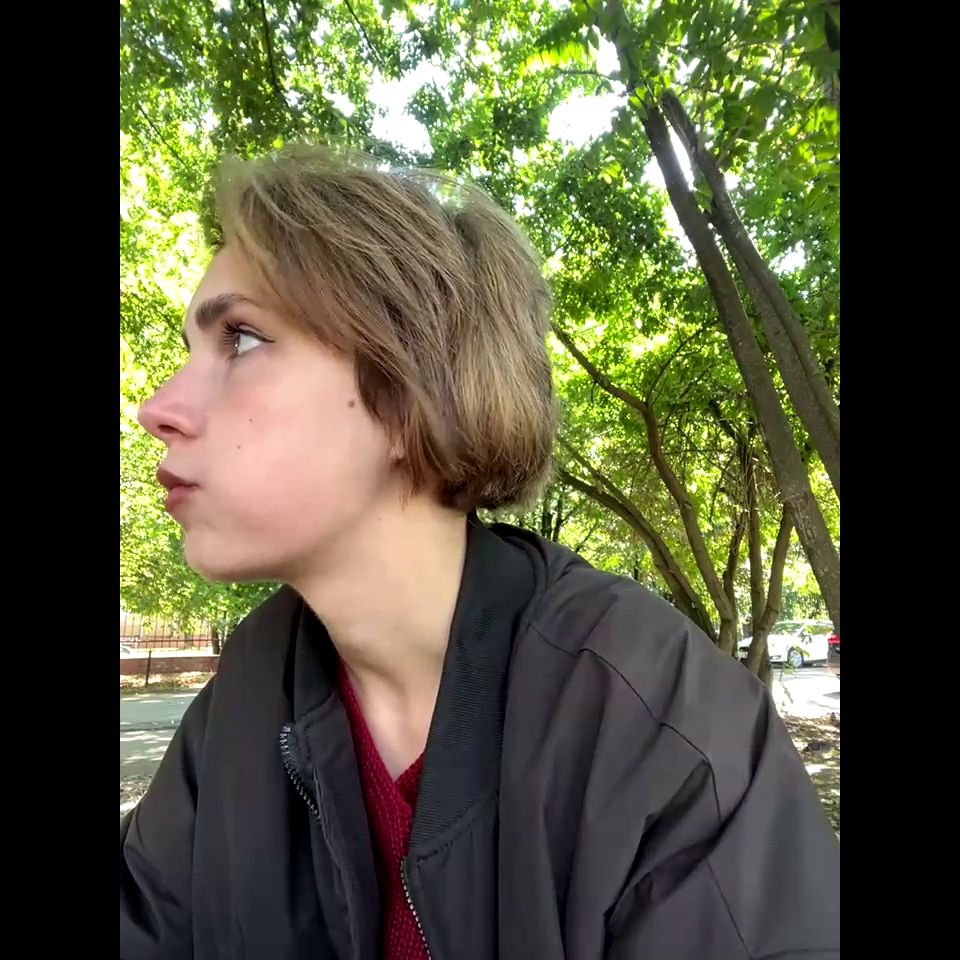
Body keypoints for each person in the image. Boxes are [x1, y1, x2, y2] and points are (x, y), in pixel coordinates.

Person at [121, 144, 839, 960]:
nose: (158, 407)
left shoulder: (655, 716)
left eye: (242, 340)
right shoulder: (247, 700)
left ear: (410, 391)